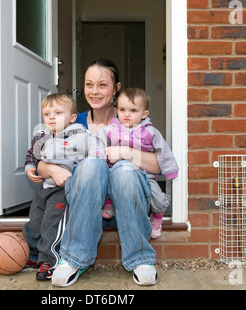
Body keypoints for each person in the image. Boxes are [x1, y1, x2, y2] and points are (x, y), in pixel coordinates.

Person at [35, 59, 164, 287]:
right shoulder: (73, 121)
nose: (94, 91)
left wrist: (125, 151)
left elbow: (158, 165)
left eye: (102, 85)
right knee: (93, 164)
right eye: (89, 84)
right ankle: (75, 258)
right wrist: (52, 168)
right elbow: (43, 161)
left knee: (124, 168)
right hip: (86, 206)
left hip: (127, 200)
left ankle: (140, 259)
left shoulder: (130, 116)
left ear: (116, 89)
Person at [23, 93, 105, 280]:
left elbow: (94, 155)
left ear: (72, 117)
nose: (51, 117)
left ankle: (50, 260)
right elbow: (32, 155)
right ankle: (33, 252)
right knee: (36, 219)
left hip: (64, 190)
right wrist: (29, 167)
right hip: (45, 187)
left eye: (58, 112)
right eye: (47, 114)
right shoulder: (41, 136)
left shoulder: (81, 135)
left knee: (53, 223)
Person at [95, 88, 179, 239]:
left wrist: (170, 171)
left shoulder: (151, 132)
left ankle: (156, 220)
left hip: (146, 176)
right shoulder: (109, 130)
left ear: (144, 114)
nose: (126, 114)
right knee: (107, 184)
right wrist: (101, 157)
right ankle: (109, 205)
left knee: (160, 200)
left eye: (133, 110)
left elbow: (164, 152)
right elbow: (98, 145)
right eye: (122, 109)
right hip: (116, 175)